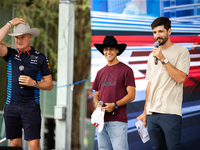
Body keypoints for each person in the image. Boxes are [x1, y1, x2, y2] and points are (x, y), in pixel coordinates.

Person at [137, 17, 190, 150]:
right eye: (154, 32)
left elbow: (180, 78)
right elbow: (150, 84)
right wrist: (145, 112)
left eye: (160, 31)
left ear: (169, 31)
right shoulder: (151, 56)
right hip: (152, 114)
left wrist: (163, 59)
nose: (157, 35)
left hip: (170, 112)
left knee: (173, 148)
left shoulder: (182, 52)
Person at [0, 18, 53, 150]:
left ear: (30, 37)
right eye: (16, 38)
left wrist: (34, 83)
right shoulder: (10, 54)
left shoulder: (40, 57)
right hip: (11, 107)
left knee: (34, 145)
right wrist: (9, 24)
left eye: (22, 37)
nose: (18, 40)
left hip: (31, 107)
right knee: (15, 145)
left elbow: (49, 85)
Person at [92, 35, 136, 150]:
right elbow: (96, 94)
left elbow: (131, 95)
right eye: (106, 49)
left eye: (111, 49)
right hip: (100, 120)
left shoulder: (126, 70)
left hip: (118, 121)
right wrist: (97, 104)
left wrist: (114, 105)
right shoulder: (100, 72)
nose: (108, 52)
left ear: (117, 50)